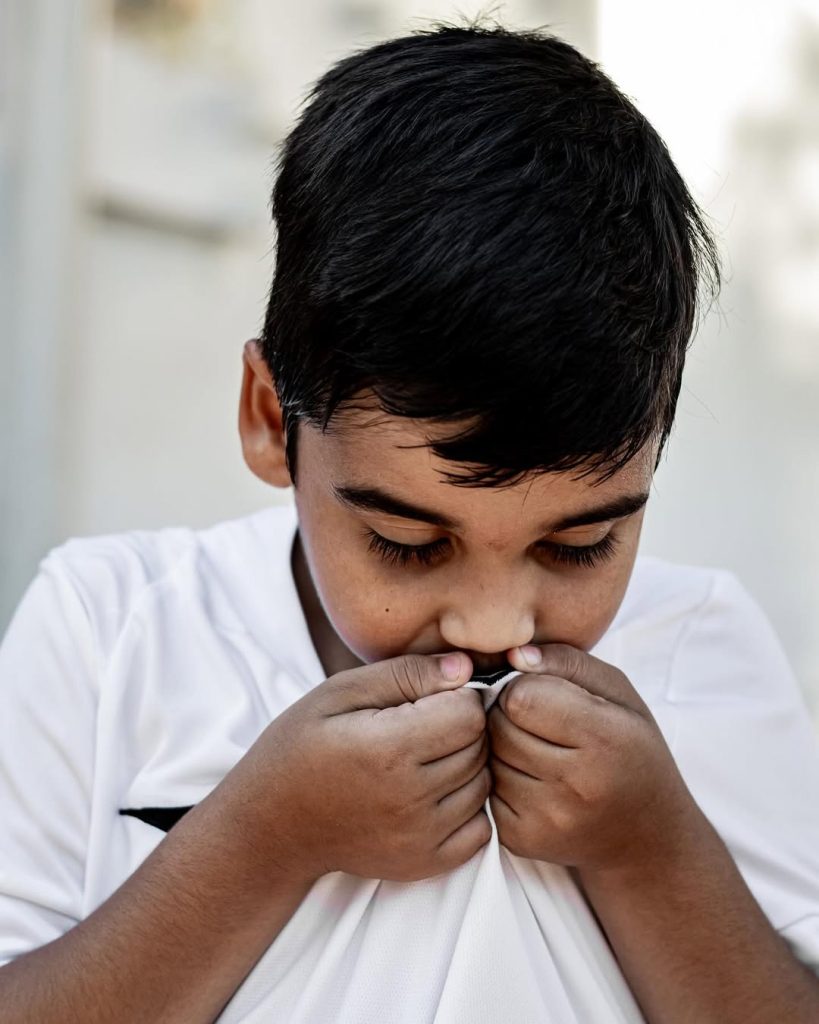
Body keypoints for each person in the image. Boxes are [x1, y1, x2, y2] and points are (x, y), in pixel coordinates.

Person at [1, 19, 818, 1024]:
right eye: (409, 543)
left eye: (577, 546)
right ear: (272, 420)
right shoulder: (109, 627)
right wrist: (261, 839)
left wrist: (649, 850)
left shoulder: (699, 645)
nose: (491, 624)